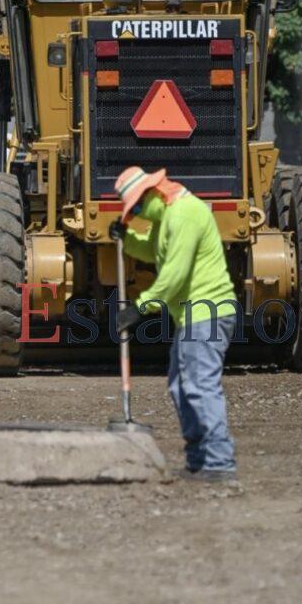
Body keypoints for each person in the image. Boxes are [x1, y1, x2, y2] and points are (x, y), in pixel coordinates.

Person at [109, 166, 238, 481]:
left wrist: (139, 308)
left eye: (137, 207)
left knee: (199, 386)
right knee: (181, 385)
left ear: (150, 194)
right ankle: (198, 460)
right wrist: (127, 238)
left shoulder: (183, 215)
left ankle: (219, 463)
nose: (137, 212)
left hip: (208, 312)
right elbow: (154, 253)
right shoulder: (164, 215)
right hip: (191, 316)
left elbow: (173, 277)